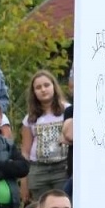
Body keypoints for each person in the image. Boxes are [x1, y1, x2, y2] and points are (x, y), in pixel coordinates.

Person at [20, 70, 71, 201]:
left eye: (46, 85)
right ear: (34, 92)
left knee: (63, 206)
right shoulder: (30, 118)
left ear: (54, 86)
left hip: (63, 169)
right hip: (38, 172)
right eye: (38, 87)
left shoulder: (69, 110)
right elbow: (25, 152)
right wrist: (24, 183)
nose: (43, 89)